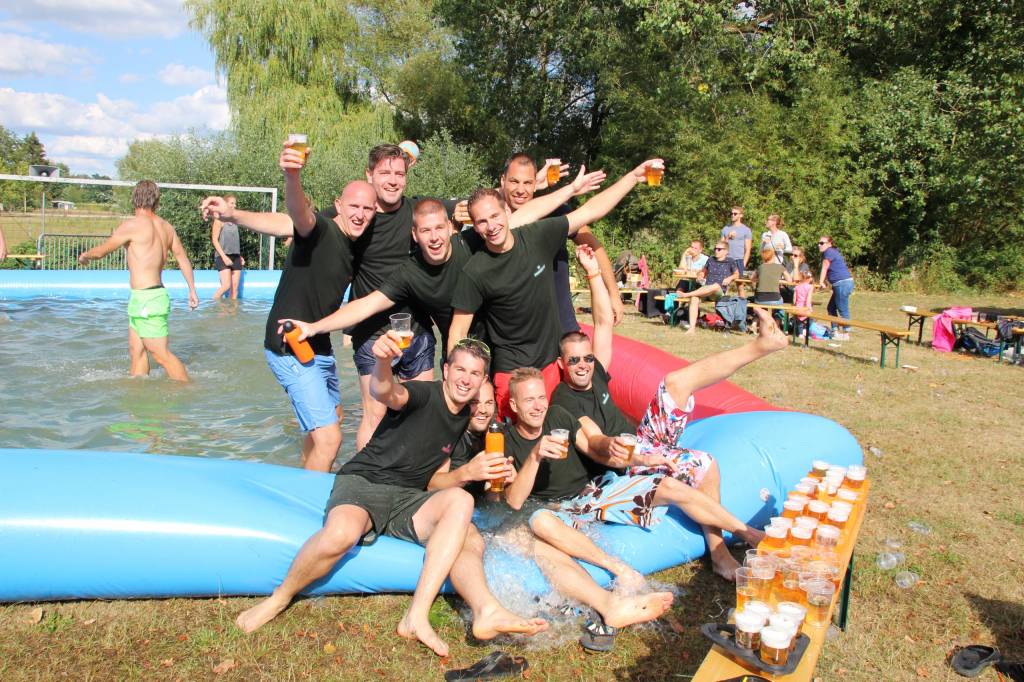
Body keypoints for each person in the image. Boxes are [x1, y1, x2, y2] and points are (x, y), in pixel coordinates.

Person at [234, 337, 548, 657]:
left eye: (475, 373)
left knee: (462, 507)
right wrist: (382, 363)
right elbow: (387, 392)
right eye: (460, 370)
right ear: (445, 369)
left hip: (407, 499)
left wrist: (472, 474)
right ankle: (279, 597)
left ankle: (458, 612)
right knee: (342, 534)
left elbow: (437, 481)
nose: (466, 379)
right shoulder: (426, 394)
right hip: (365, 482)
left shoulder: (462, 416)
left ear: (483, 380)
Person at [536, 247, 777, 579]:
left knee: (675, 381)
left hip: (642, 442)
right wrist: (636, 456)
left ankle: (762, 346)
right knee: (703, 463)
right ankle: (725, 552)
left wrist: (593, 272)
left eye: (586, 358)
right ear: (562, 364)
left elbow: (604, 322)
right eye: (574, 360)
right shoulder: (564, 401)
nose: (582, 366)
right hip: (625, 465)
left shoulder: (597, 373)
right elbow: (595, 443)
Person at [202, 142, 377, 472]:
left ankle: (300, 480)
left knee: (331, 421)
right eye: (353, 206)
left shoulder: (357, 246)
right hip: (288, 344)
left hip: (318, 345)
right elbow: (295, 215)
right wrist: (291, 176)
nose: (359, 214)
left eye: (367, 210)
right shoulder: (320, 230)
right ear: (338, 205)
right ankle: (310, 512)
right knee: (330, 438)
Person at [448, 158, 665, 419]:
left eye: (495, 216)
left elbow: (591, 211)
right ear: (475, 225)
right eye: (481, 222)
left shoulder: (539, 236)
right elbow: (457, 331)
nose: (491, 226)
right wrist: (454, 380)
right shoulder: (475, 271)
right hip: (510, 372)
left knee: (558, 433)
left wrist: (633, 176)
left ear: (507, 214)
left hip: (550, 363)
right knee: (515, 442)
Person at [453, 153, 622, 330]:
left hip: (560, 322)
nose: (520, 190)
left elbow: (593, 245)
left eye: (528, 183)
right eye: (514, 181)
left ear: (536, 184)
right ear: (502, 181)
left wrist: (613, 293)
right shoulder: (491, 224)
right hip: (513, 333)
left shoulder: (556, 211)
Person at [77, 180, 199, 382]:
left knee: (161, 355)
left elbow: (102, 251)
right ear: (156, 201)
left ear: (134, 199)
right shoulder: (166, 227)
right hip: (146, 297)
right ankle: (138, 395)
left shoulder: (131, 226)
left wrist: (85, 256)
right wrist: (192, 290)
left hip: (147, 300)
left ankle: (187, 391)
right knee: (136, 350)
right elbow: (182, 257)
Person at [681, 240, 740, 335]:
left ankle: (687, 294)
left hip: (719, 291)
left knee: (716, 285)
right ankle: (692, 328)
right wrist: (700, 274)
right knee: (694, 298)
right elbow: (703, 272)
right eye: (715, 249)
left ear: (726, 251)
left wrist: (730, 278)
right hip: (706, 290)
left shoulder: (730, 261)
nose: (716, 251)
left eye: (719, 249)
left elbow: (737, 274)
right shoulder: (711, 259)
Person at [817, 235, 854, 340]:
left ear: (829, 243)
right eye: (819, 243)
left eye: (822, 243)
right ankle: (835, 332)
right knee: (831, 308)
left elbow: (825, 267)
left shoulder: (829, 252)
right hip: (840, 284)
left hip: (842, 283)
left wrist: (820, 282)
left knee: (842, 308)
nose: (819, 245)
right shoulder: (831, 251)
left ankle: (846, 333)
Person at [210, 194, 244, 300]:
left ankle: (232, 315)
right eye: (232, 203)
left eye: (235, 203)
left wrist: (240, 256)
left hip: (235, 256)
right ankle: (214, 306)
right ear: (225, 204)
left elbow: (234, 240)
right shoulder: (219, 220)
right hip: (223, 256)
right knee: (226, 286)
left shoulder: (235, 220)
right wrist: (224, 257)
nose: (234, 205)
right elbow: (214, 240)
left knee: (235, 290)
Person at [720, 206, 752, 296]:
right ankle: (720, 307)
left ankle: (742, 307)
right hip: (726, 259)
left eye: (735, 213)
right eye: (731, 213)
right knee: (722, 284)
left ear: (741, 215)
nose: (732, 215)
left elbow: (748, 249)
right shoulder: (725, 229)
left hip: (738, 260)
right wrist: (727, 238)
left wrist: (744, 263)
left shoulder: (746, 230)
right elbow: (721, 246)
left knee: (740, 285)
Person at [791, 269, 815, 337]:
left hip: (798, 306)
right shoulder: (810, 287)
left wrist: (794, 305)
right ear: (809, 278)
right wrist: (808, 308)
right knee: (810, 320)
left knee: (799, 321)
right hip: (805, 306)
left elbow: (794, 299)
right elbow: (808, 299)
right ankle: (806, 331)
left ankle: (800, 333)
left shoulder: (797, 287)